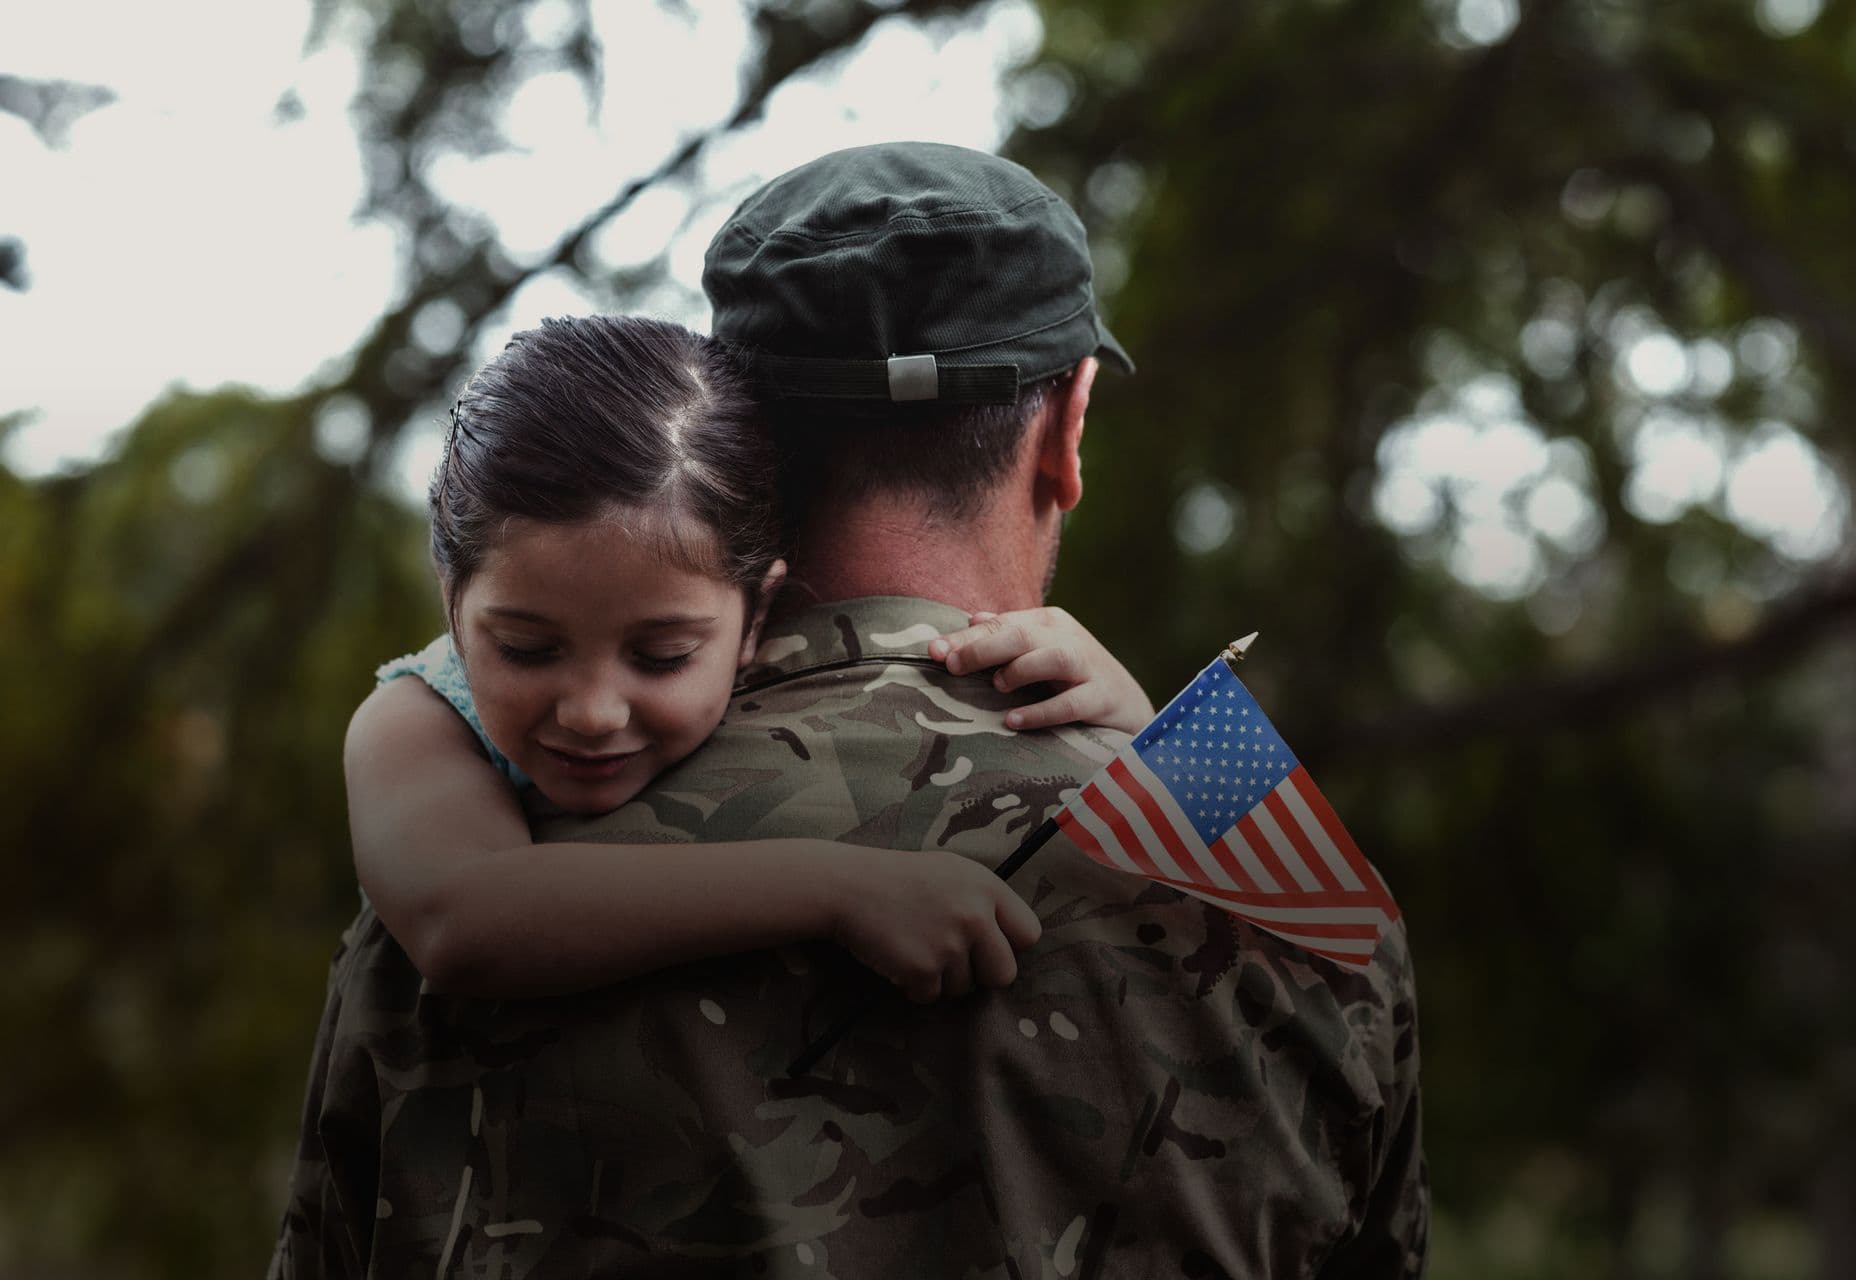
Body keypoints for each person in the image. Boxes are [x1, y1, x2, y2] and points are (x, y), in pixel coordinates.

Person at [271, 143, 1425, 1278]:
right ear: (1068, 431)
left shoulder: (485, 858)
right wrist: (1142, 750)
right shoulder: (1294, 896)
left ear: (740, 441)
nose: (592, 708)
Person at [346, 313, 1152, 1004]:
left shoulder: (781, 677)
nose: (591, 710)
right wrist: (841, 888)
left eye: (661, 657)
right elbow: (463, 920)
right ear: (452, 598)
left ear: (759, 616)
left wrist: (1133, 721)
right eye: (526, 648)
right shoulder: (417, 719)